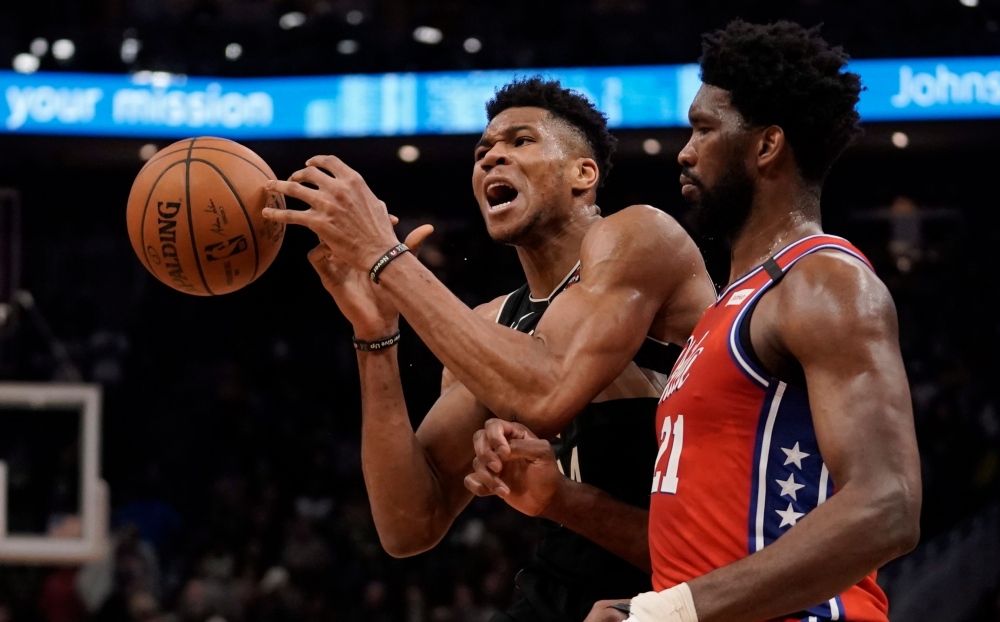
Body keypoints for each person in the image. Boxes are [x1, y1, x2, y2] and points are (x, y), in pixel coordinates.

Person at [465, 19, 922, 622]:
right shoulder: (728, 309)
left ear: (766, 146)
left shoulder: (822, 279)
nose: (684, 151)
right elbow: (715, 541)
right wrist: (638, 598)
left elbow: (888, 505)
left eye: (704, 129)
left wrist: (672, 612)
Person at [261, 78, 717, 622]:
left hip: (690, 593)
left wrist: (386, 256)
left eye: (520, 141)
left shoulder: (643, 235)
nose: (492, 156)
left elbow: (548, 392)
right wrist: (374, 334)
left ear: (583, 174)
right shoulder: (491, 326)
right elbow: (410, 524)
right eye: (482, 152)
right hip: (560, 590)